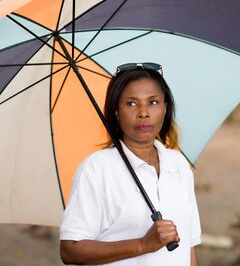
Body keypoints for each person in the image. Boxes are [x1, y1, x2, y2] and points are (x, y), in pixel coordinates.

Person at [60, 63, 201, 265]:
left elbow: (189, 245)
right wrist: (143, 244)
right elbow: (70, 250)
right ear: (116, 111)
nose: (143, 112)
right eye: (132, 104)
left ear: (165, 107)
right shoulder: (97, 168)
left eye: (153, 102)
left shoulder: (178, 164)